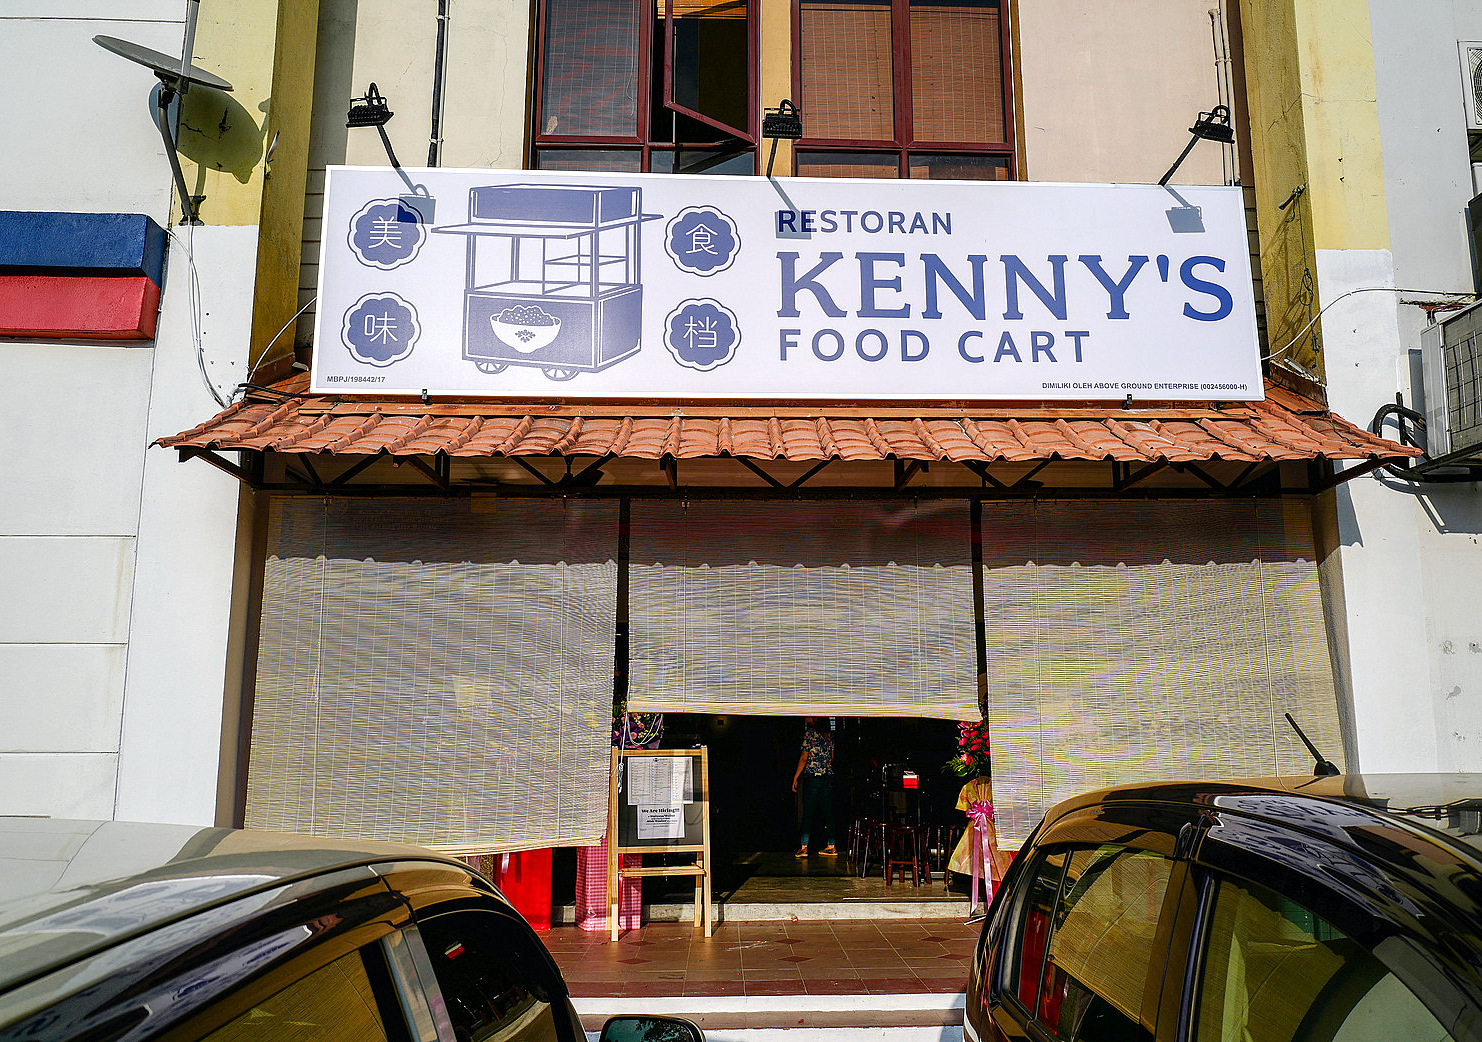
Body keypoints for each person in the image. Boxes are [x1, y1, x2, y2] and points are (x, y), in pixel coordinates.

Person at [791, 716, 837, 857]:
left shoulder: (810, 734)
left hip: (813, 777)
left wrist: (796, 776)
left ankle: (804, 847)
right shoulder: (829, 736)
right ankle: (831, 845)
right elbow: (832, 757)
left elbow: (804, 757)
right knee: (828, 812)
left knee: (808, 812)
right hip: (827, 777)